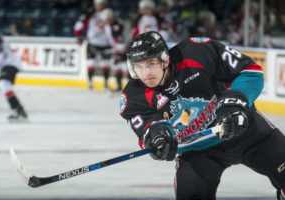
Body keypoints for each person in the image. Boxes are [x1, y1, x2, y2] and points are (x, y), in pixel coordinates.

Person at [119, 31, 285, 200]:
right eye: (138, 66)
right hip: (197, 153)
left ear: (165, 60)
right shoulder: (134, 97)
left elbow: (250, 72)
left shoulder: (198, 52)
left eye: (151, 64)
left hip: (246, 132)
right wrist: (158, 137)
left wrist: (235, 102)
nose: (145, 73)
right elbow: (149, 128)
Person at [0, 13, 28, 122]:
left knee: (4, 84)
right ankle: (18, 110)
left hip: (9, 62)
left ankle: (18, 111)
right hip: (2, 65)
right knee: (4, 86)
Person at [74, 0, 112, 90]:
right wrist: (78, 36)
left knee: (106, 64)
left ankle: (106, 83)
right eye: (98, 4)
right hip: (92, 42)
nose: (100, 5)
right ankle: (90, 82)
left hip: (106, 43)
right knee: (90, 63)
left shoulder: (109, 13)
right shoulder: (90, 13)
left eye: (102, 4)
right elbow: (80, 24)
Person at [100, 8, 128, 91]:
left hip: (124, 48)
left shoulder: (117, 26)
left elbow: (121, 41)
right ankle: (119, 86)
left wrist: (117, 49)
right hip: (119, 48)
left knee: (126, 67)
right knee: (117, 66)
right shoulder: (108, 26)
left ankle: (132, 87)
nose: (106, 21)